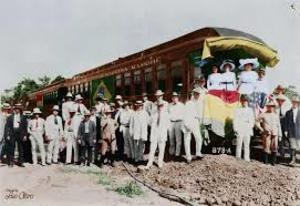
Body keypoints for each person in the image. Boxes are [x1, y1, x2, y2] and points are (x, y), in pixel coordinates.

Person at [256, 100, 282, 165]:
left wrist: (280, 135)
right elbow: (256, 122)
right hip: (267, 133)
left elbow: (278, 125)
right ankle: (266, 161)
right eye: (269, 106)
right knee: (266, 146)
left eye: (272, 106)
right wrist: (261, 129)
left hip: (275, 133)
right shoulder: (263, 114)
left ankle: (273, 162)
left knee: (274, 147)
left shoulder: (276, 115)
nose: (271, 108)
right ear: (267, 107)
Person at [182, 88, 204, 163]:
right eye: (195, 93)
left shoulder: (200, 103)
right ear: (193, 94)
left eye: (198, 94)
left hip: (195, 121)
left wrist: (199, 120)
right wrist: (186, 124)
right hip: (188, 121)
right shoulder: (189, 103)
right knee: (187, 139)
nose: (197, 95)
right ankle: (188, 157)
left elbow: (200, 114)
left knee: (199, 138)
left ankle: (198, 153)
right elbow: (185, 114)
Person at [146, 101, 170, 169]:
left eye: (161, 105)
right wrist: (155, 128)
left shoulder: (166, 114)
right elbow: (150, 123)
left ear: (163, 106)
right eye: (158, 106)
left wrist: (163, 129)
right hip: (154, 133)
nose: (160, 107)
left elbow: (168, 125)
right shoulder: (153, 114)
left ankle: (160, 163)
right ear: (156, 106)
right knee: (152, 148)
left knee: (161, 149)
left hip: (162, 133)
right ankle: (150, 162)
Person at [233, 95, 255, 162]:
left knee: (247, 144)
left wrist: (250, 126)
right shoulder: (238, 110)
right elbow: (235, 120)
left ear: (247, 102)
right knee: (239, 143)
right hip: (240, 127)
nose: (244, 102)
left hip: (247, 127)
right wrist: (235, 128)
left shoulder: (250, 110)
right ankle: (238, 156)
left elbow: (252, 120)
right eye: (243, 101)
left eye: (245, 101)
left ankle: (246, 157)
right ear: (241, 101)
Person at [130, 100, 150, 165]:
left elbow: (149, 122)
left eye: (140, 105)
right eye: (138, 105)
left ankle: (141, 158)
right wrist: (131, 132)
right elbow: (131, 124)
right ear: (136, 106)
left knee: (142, 146)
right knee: (136, 146)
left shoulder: (145, 113)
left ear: (142, 106)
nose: (139, 107)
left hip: (143, 132)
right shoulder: (133, 114)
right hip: (136, 132)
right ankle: (136, 159)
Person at [168, 92, 185, 157]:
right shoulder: (169, 105)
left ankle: (177, 153)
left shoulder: (182, 105)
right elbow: (167, 115)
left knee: (178, 139)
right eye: (173, 97)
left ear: (178, 98)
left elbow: (184, 115)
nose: (174, 98)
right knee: (171, 138)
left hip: (178, 122)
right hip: (171, 123)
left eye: (176, 97)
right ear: (172, 98)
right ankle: (172, 152)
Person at [284, 96, 300, 164]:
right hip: (291, 131)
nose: (295, 103)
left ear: (298, 103)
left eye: (296, 102)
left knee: (299, 146)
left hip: (299, 131)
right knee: (292, 146)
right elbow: (286, 123)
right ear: (292, 103)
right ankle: (293, 159)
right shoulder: (288, 112)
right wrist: (286, 130)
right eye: (293, 102)